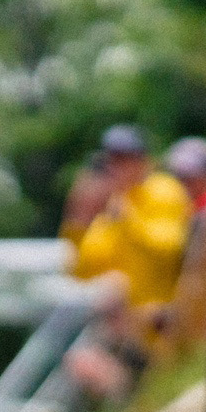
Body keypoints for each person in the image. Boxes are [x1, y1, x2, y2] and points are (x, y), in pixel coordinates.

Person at [61, 125, 194, 313]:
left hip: (160, 319)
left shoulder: (163, 189)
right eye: (110, 161)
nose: (114, 168)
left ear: (144, 161)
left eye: (123, 160)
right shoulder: (113, 202)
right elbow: (82, 272)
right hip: (122, 324)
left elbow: (169, 249)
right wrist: (79, 220)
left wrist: (126, 217)